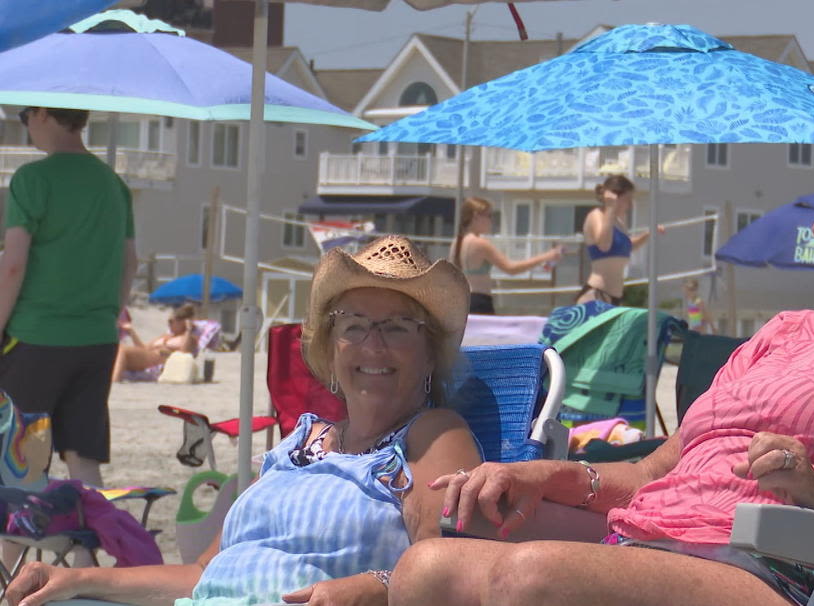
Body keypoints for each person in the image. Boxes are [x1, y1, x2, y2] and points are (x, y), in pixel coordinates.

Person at [389, 107, 814, 606]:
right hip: (654, 539)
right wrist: (542, 476)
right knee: (427, 569)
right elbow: (649, 477)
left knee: (530, 581)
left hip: (803, 574)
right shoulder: (783, 332)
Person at [5, 236, 483, 606]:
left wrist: (378, 587)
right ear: (331, 348)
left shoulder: (431, 435)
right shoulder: (295, 445)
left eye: (397, 327)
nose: (372, 347)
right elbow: (202, 573)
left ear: (429, 354)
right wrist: (75, 577)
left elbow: (455, 569)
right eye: (354, 325)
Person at [0, 106, 137, 488]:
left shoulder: (33, 178)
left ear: (43, 113)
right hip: (97, 338)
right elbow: (130, 263)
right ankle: (84, 550)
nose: (25, 124)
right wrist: (108, 315)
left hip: (37, 335)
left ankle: (9, 551)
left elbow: (12, 266)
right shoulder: (113, 183)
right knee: (83, 456)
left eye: (25, 115)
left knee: (23, 460)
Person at [452, 197, 563, 315]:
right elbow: (511, 268)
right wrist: (545, 256)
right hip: (479, 301)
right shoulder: (480, 243)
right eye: (489, 216)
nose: (491, 221)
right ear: (476, 216)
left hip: (461, 302)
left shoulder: (456, 242)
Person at [575, 175, 663, 306]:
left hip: (615, 297)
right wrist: (610, 208)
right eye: (627, 199)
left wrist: (648, 234)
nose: (630, 205)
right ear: (616, 197)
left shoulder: (618, 223)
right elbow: (604, 245)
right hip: (597, 294)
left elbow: (627, 247)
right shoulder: (596, 215)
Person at [110, 304, 200, 382]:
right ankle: (112, 378)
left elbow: (184, 354)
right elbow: (144, 348)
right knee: (117, 348)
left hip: (157, 359)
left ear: (183, 322)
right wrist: (131, 331)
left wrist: (188, 329)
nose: (169, 324)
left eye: (171, 321)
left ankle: (115, 381)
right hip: (147, 356)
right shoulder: (165, 336)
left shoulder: (189, 338)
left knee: (122, 350)